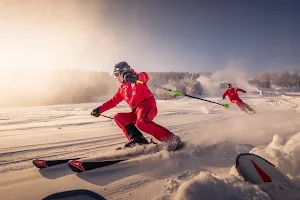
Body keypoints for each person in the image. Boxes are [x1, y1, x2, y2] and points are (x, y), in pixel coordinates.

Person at [91, 61, 184, 151]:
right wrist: (99, 110)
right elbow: (112, 102)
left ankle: (172, 139)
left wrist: (135, 77)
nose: (116, 78)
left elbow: (145, 76)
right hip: (136, 111)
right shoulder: (122, 89)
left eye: (116, 75)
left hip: (147, 105)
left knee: (141, 122)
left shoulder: (136, 79)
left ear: (124, 73)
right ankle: (138, 140)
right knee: (118, 117)